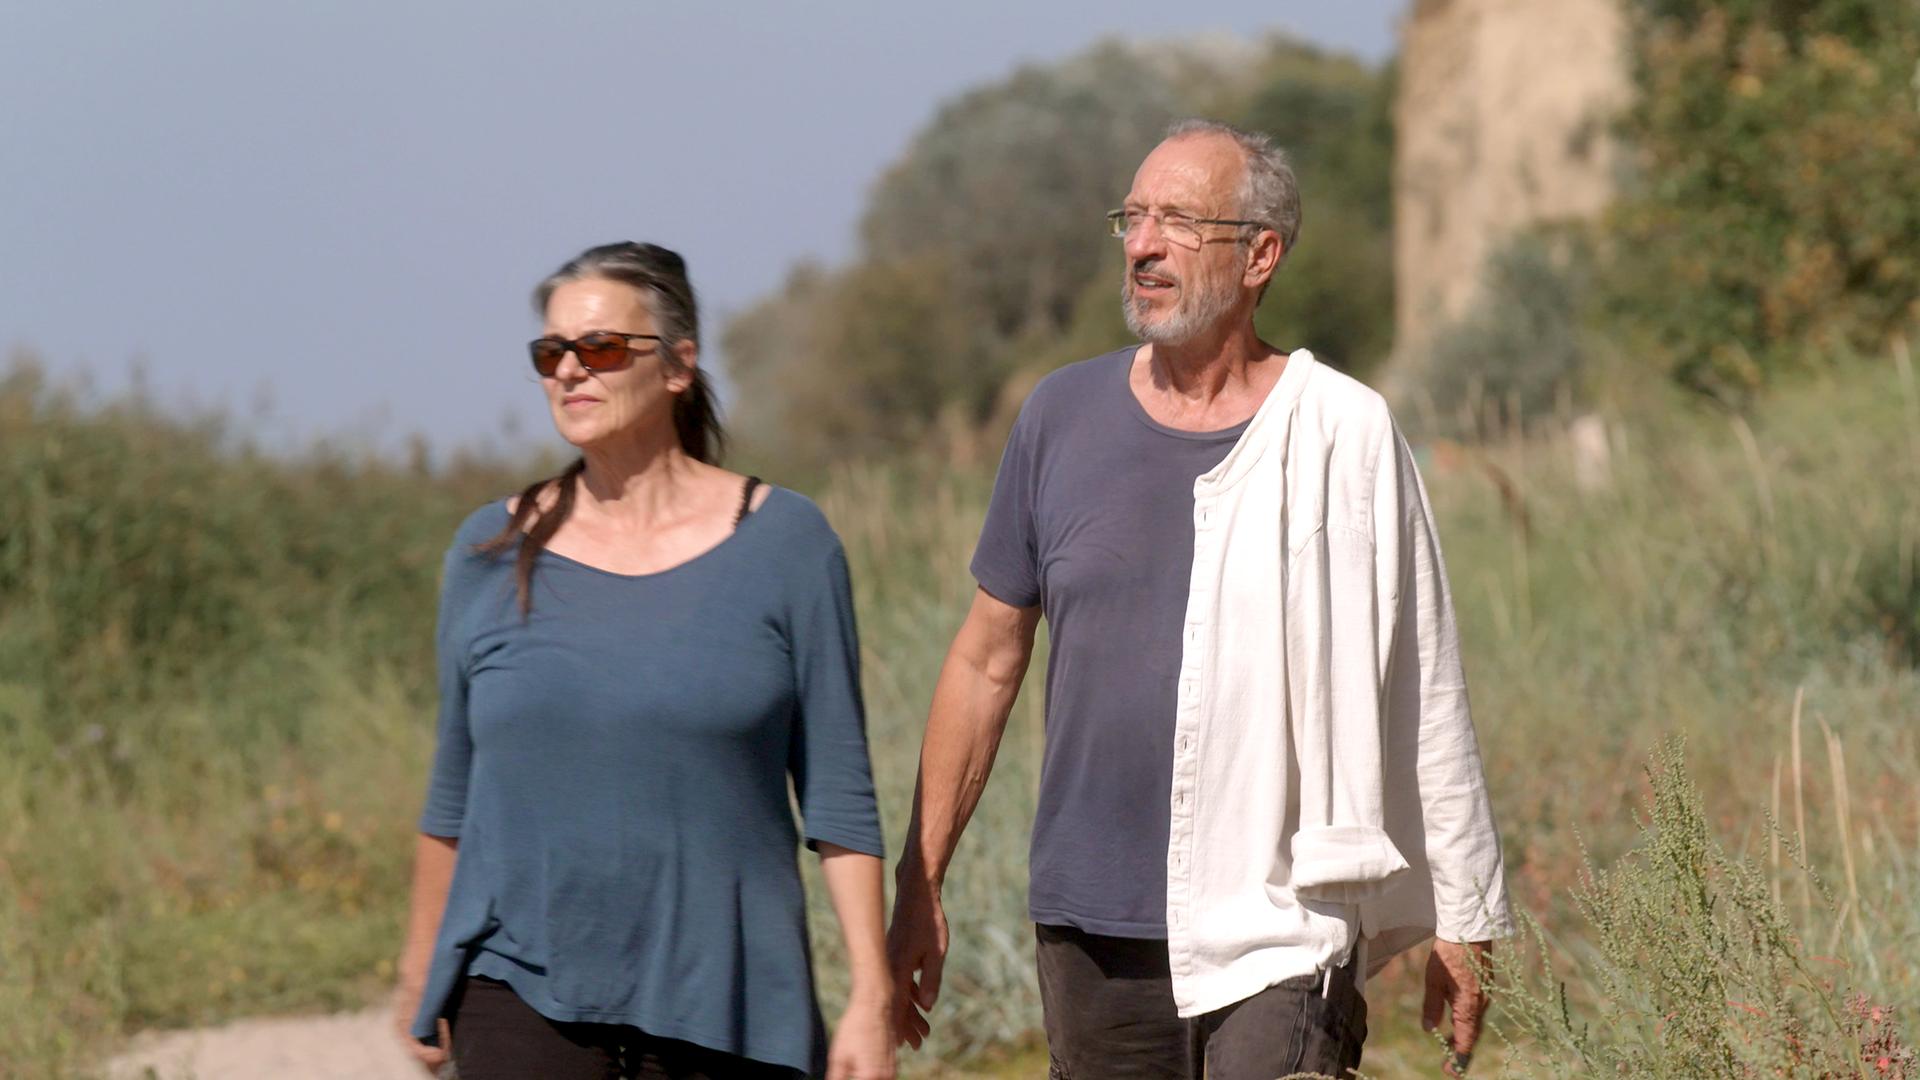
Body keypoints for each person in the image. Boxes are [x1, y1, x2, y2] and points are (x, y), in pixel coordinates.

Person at [885, 121, 1513, 1079]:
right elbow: (985, 658)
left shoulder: (1343, 431)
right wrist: (920, 879)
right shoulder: (1060, 417)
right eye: (1132, 219)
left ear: (1260, 254)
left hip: (1284, 916)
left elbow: (1421, 673)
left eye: (1178, 221)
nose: (1142, 246)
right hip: (1089, 926)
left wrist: (1465, 910)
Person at [390, 242, 895, 1080]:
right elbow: (454, 791)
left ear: (678, 367)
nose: (571, 372)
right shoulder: (488, 550)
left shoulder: (787, 546)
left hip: (729, 1003)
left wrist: (870, 1001)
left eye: (602, 349)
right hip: (515, 990)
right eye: (551, 354)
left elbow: (840, 801)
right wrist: (419, 971)